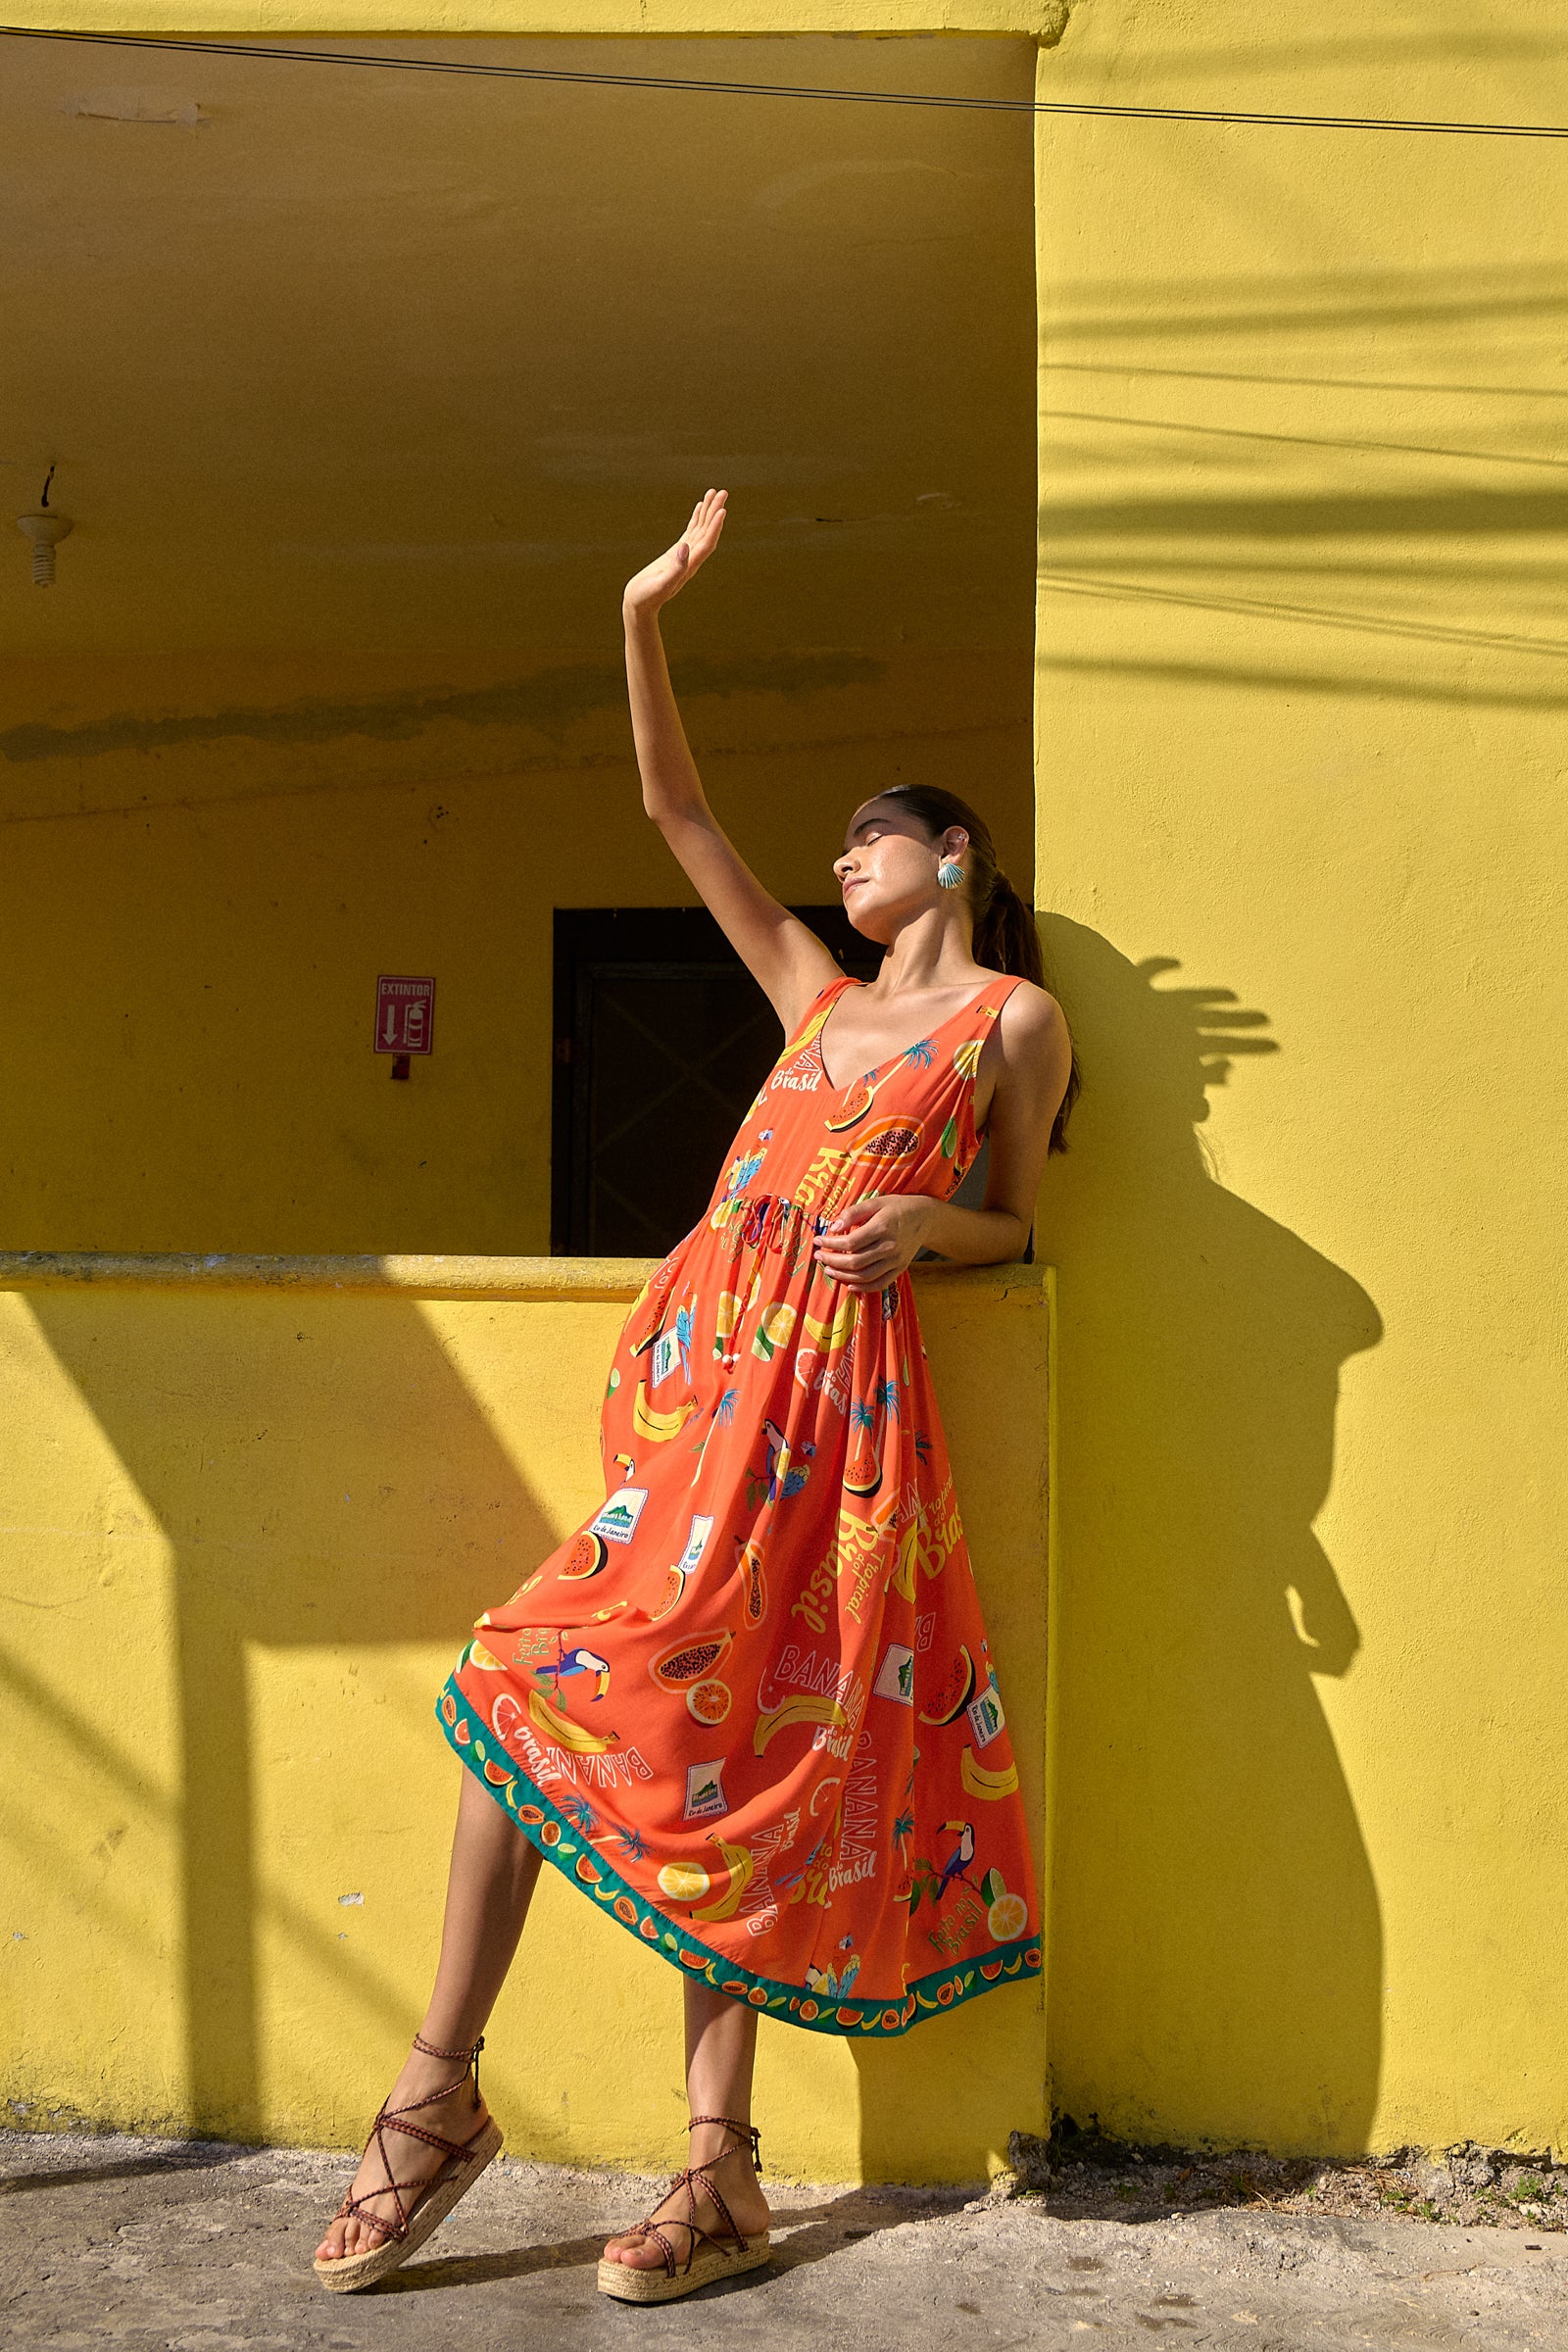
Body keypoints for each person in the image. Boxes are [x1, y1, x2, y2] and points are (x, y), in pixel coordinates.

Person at [312, 489, 1077, 2305]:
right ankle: (441, 2089)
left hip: (839, 1427)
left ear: (954, 855)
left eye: (876, 838)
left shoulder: (1010, 1023)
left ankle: (714, 2170)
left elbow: (1021, 1228)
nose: (847, 861)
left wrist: (929, 1225)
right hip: (704, 1409)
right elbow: (677, 812)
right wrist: (642, 611)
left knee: (729, 1764)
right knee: (520, 1681)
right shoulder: (814, 1000)